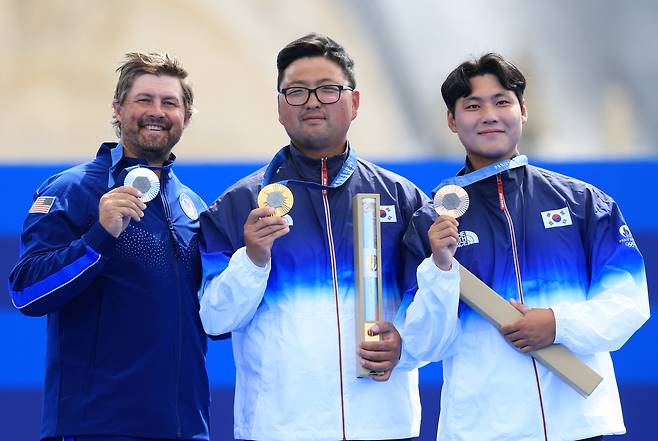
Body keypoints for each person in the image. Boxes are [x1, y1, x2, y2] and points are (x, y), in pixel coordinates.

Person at [401, 53, 650, 441]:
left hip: (578, 425)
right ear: (452, 120)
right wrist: (441, 268)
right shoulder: (429, 223)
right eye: (472, 105)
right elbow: (422, 344)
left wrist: (556, 324)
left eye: (502, 101)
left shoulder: (585, 203)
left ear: (523, 110)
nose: (489, 115)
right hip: (483, 428)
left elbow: (629, 303)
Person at [198, 33, 428, 441]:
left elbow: (432, 305)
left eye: (328, 89)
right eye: (297, 91)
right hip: (280, 427)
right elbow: (214, 320)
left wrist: (405, 342)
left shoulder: (403, 198)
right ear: (280, 107)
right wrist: (252, 259)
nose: (312, 101)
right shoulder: (239, 204)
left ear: (354, 103)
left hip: (384, 424)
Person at [8, 52, 210, 441]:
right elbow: (25, 292)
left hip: (186, 429)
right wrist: (98, 235)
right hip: (97, 429)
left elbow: (214, 314)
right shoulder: (72, 190)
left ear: (186, 116)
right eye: (143, 100)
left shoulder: (194, 207)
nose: (157, 111)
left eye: (170, 102)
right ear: (118, 109)